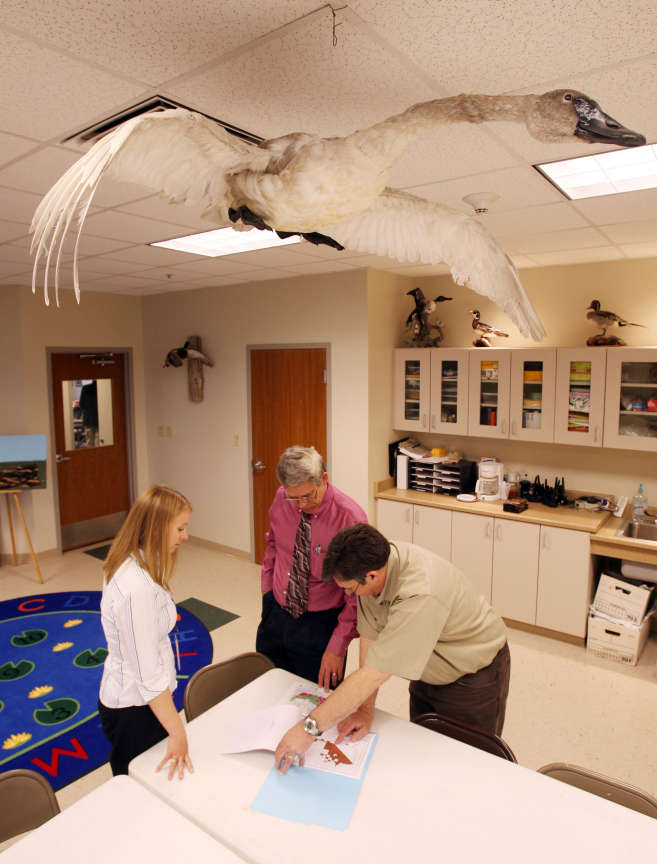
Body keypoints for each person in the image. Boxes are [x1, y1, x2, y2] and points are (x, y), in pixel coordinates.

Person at [274, 523, 510, 773]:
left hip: (472, 675)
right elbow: (370, 640)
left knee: (467, 764)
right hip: (428, 668)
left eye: (349, 590)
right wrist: (365, 710)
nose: (348, 596)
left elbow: (375, 673)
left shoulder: (420, 592)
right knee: (425, 750)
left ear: (373, 575)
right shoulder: (371, 568)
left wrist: (308, 728)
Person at [98, 484, 194, 780]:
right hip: (134, 708)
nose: (185, 536)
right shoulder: (135, 589)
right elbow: (148, 675)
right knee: (138, 787)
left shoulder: (141, 562)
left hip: (148, 701)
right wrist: (178, 731)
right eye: (180, 529)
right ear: (156, 529)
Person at [256, 445, 367, 690]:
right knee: (269, 691)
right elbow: (273, 544)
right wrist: (267, 596)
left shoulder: (350, 518)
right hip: (276, 613)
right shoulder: (281, 497)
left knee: (316, 702)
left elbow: (358, 594)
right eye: (293, 497)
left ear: (324, 479)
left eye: (308, 496)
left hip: (320, 625)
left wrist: (338, 646)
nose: (300, 505)